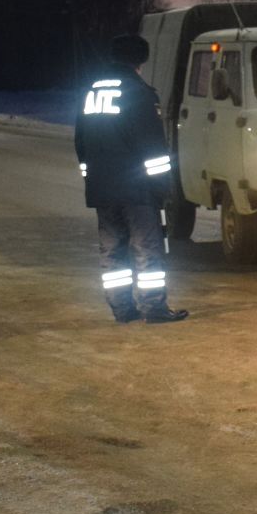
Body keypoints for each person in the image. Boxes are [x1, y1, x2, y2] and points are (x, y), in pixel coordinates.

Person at [74, 34, 187, 324]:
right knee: (147, 248)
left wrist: (92, 177)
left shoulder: (90, 91)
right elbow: (153, 146)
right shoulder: (139, 93)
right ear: (140, 61)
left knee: (112, 250)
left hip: (102, 187)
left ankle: (122, 309)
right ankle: (154, 308)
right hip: (136, 188)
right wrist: (163, 187)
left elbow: (81, 142)